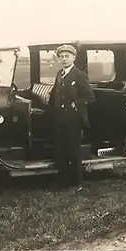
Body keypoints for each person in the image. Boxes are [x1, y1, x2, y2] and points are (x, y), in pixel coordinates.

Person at [48, 44, 95, 189]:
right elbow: (55, 93)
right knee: (60, 150)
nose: (64, 59)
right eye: (61, 57)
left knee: (73, 150)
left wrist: (77, 104)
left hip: (73, 119)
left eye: (67, 56)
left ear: (73, 57)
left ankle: (78, 182)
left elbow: (90, 97)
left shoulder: (79, 75)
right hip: (60, 118)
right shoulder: (60, 74)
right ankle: (63, 180)